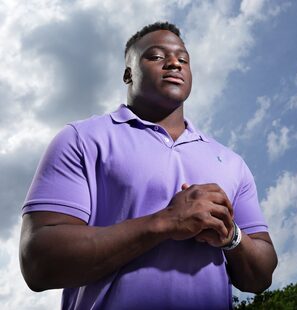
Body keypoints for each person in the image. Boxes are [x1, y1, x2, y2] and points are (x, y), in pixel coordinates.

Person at [19, 21, 277, 309]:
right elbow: (38, 262)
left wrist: (231, 236)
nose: (173, 64)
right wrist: (166, 222)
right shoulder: (82, 139)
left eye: (183, 59)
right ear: (129, 73)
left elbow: (261, 276)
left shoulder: (231, 162)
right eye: (156, 56)